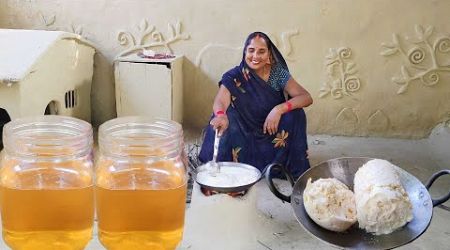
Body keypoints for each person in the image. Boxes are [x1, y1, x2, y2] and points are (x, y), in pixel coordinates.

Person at [198, 31, 313, 179]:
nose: (255, 56)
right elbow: (221, 100)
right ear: (245, 51)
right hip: (243, 133)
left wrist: (279, 109)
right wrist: (221, 115)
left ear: (269, 55)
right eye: (251, 50)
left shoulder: (277, 74)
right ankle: (223, 168)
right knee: (225, 117)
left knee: (296, 114)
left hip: (271, 129)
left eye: (261, 51)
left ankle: (286, 167)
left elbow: (306, 97)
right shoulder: (235, 75)